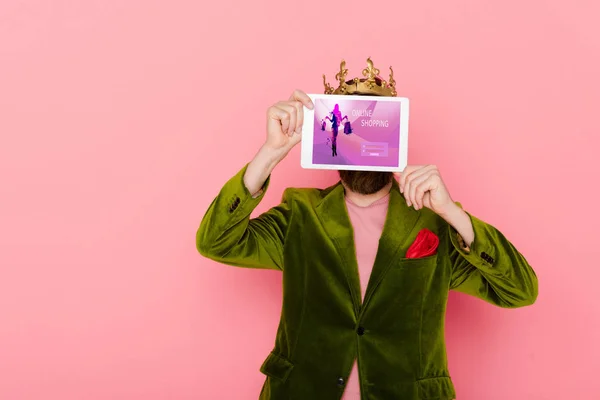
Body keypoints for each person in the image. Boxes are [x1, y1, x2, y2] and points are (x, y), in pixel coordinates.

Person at [196, 58, 538, 400]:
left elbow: (520, 290)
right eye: (349, 129)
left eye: (372, 128)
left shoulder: (434, 221)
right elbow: (215, 242)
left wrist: (452, 213)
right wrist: (269, 154)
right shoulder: (300, 214)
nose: (360, 144)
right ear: (329, 134)